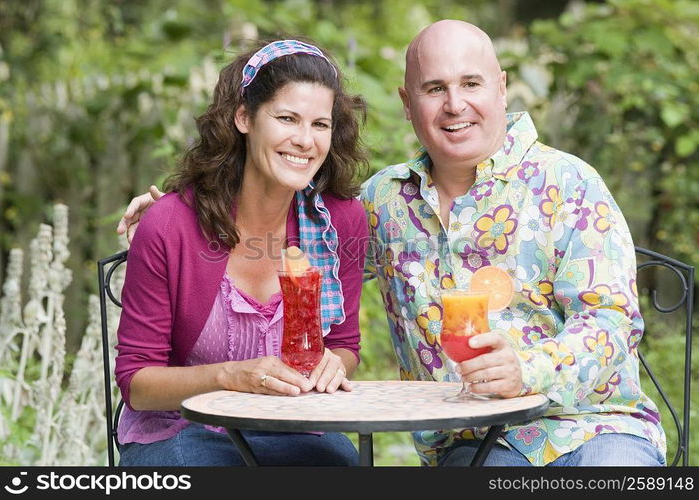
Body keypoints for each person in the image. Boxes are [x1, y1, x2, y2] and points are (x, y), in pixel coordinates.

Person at [119, 21, 666, 467]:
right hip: (475, 444)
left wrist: (530, 368)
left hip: (592, 428)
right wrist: (173, 215)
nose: (455, 105)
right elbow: (254, 215)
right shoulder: (386, 202)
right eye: (435, 89)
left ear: (501, 86)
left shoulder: (569, 184)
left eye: (471, 84)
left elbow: (613, 323)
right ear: (409, 103)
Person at [114, 38, 369, 466]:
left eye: (320, 125)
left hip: (292, 430)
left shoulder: (338, 223)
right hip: (183, 433)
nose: (305, 140)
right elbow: (136, 383)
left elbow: (344, 345)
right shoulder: (171, 224)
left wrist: (334, 364)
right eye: (287, 118)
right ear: (244, 117)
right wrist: (228, 377)